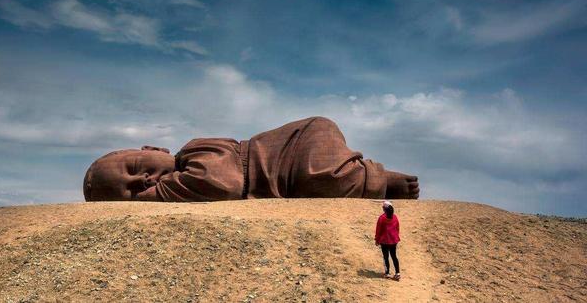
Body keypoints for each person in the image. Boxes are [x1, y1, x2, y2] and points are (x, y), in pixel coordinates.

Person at [83, 116, 420, 202]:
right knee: (318, 184)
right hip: (289, 177)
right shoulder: (183, 181)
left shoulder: (195, 150)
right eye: (130, 191)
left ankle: (377, 178)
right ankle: (374, 179)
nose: (143, 182)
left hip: (295, 149)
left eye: (134, 169)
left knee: (321, 176)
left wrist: (153, 196)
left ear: (153, 150)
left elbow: (223, 183)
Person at [375, 200, 401, 280]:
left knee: (386, 257)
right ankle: (397, 273)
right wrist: (396, 236)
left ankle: (387, 273)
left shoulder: (382, 218)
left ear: (384, 209)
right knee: (394, 256)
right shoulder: (395, 217)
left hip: (384, 241)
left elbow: (378, 230)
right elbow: (397, 228)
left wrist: (377, 239)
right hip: (394, 240)